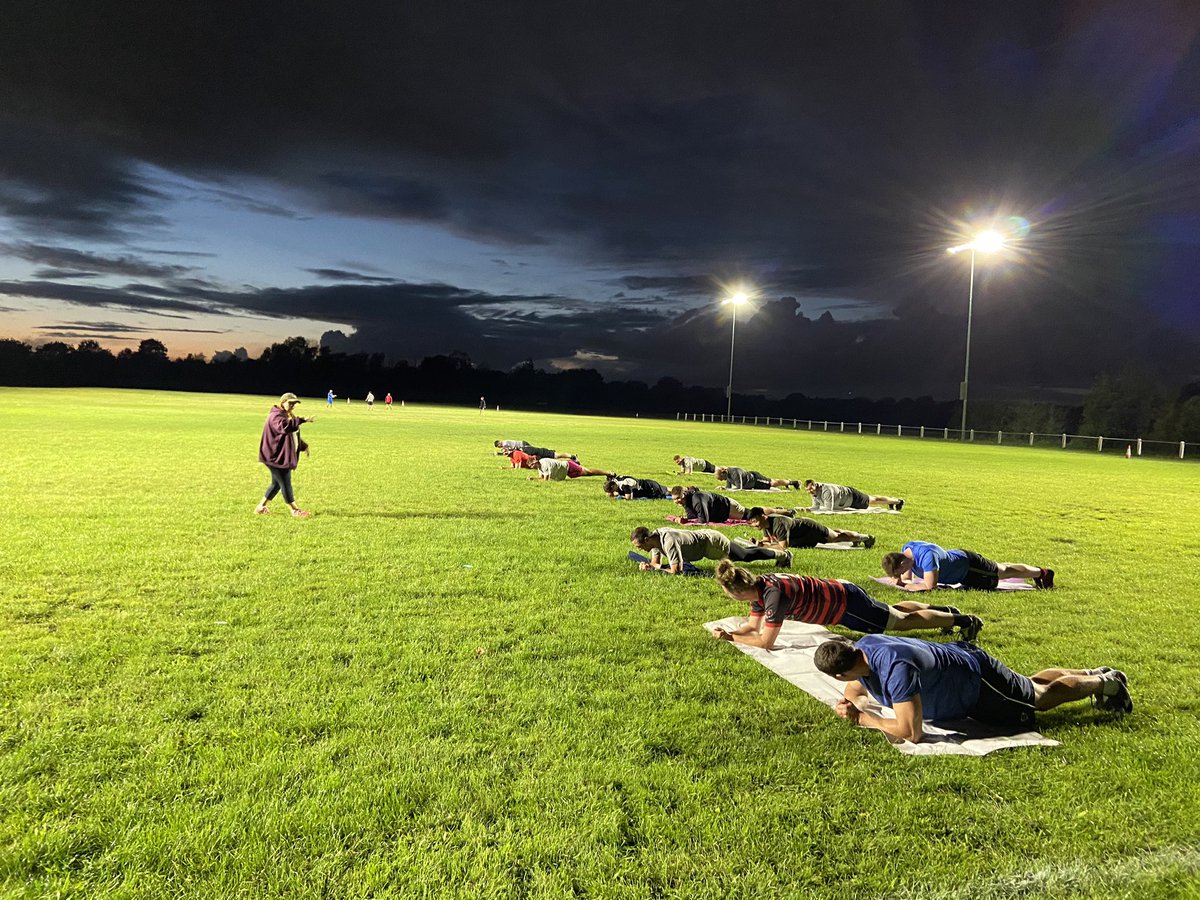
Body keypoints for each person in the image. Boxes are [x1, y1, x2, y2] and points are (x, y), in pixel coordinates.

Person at [814, 635, 1132, 743]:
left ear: (840, 672)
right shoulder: (863, 649)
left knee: (1037, 699)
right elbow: (856, 688)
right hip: (964, 667)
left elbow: (910, 732)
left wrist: (863, 719)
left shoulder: (895, 669)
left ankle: (1107, 684)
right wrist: (849, 702)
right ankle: (1093, 673)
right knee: (1028, 684)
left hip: (976, 680)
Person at [711, 560, 983, 646]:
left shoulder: (773, 596)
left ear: (736, 591)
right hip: (843, 594)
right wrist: (733, 633)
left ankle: (964, 621)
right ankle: (947, 613)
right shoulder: (760, 587)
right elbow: (753, 626)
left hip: (845, 605)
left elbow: (766, 641)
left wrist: (731, 639)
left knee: (899, 623)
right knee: (893, 611)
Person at [882, 541, 1054, 591]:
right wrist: (901, 580)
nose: (898, 575)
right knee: (1001, 568)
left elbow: (929, 585)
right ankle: (1037, 572)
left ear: (903, 562)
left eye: (897, 571)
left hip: (969, 566)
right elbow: (906, 578)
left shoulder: (926, 556)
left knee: (1003, 572)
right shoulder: (907, 551)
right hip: (962, 569)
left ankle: (1042, 573)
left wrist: (906, 584)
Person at [255, 392, 316, 517]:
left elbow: (291, 436)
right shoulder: (275, 416)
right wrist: (302, 420)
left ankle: (260, 507)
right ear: (282, 402)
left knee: (276, 483)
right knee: (285, 482)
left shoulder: (286, 415)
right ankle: (295, 510)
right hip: (274, 457)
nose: (293, 405)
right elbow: (285, 427)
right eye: (290, 403)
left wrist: (303, 446)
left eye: (295, 403)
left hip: (278, 456)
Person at [630, 526, 791, 573]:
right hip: (703, 543)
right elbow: (655, 562)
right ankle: (781, 555)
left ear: (647, 539)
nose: (641, 550)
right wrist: (650, 566)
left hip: (711, 542)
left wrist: (656, 569)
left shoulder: (668, 541)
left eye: (640, 546)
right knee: (744, 556)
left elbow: (676, 570)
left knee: (745, 555)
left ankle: (783, 555)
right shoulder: (655, 540)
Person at [747, 507, 875, 550]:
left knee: (835, 537)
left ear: (763, 516)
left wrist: (763, 547)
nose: (754, 525)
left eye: (755, 521)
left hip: (810, 528)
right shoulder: (765, 524)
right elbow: (767, 540)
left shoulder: (778, 523)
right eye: (752, 523)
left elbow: (782, 547)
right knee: (835, 533)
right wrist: (758, 543)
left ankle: (866, 537)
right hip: (803, 533)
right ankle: (857, 538)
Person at [804, 479, 904, 511]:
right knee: (873, 498)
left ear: (815, 485)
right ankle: (892, 501)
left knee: (873, 500)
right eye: (807, 490)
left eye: (811, 489)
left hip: (852, 497)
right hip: (848, 497)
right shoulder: (815, 491)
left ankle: (897, 501)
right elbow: (816, 506)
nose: (810, 492)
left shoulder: (827, 491)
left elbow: (828, 509)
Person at [714, 466, 800, 491]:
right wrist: (724, 488)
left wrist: (727, 490)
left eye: (721, 478)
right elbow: (729, 487)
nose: (722, 480)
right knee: (774, 482)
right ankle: (787, 482)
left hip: (755, 479)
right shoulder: (728, 476)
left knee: (773, 483)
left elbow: (739, 488)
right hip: (752, 483)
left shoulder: (735, 473)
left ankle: (793, 482)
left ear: (723, 473)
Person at [529, 458, 612, 481]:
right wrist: (534, 479)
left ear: (536, 461)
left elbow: (545, 480)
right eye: (530, 466)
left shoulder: (544, 465)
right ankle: (575, 462)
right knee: (588, 474)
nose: (532, 467)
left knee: (589, 472)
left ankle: (609, 473)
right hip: (567, 473)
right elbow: (541, 478)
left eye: (532, 464)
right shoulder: (540, 467)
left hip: (569, 466)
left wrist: (533, 479)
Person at [605, 476, 671, 500]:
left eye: (611, 490)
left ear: (613, 486)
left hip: (650, 488)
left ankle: (680, 491)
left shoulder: (624, 485)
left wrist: (617, 497)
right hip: (648, 484)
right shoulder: (615, 481)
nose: (612, 492)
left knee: (667, 493)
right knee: (667, 489)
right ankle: (680, 490)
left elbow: (629, 498)